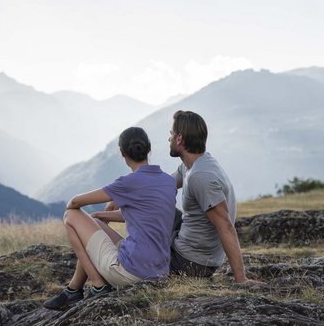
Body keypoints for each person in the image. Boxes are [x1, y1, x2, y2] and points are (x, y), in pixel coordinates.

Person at [43, 127, 177, 310]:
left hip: (130, 273)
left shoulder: (126, 183)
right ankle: (73, 291)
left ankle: (98, 285)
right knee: (94, 222)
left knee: (71, 216)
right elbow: (144, 214)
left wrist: (98, 206)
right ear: (149, 149)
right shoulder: (168, 182)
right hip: (159, 271)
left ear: (122, 153)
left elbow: (74, 203)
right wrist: (98, 216)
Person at [168, 110, 255, 283]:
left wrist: (241, 279)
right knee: (157, 207)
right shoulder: (192, 164)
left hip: (191, 263)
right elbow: (162, 187)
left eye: (171, 134)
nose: (169, 138)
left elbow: (225, 226)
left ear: (179, 138)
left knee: (138, 262)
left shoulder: (201, 176)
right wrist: (120, 200)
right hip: (190, 247)